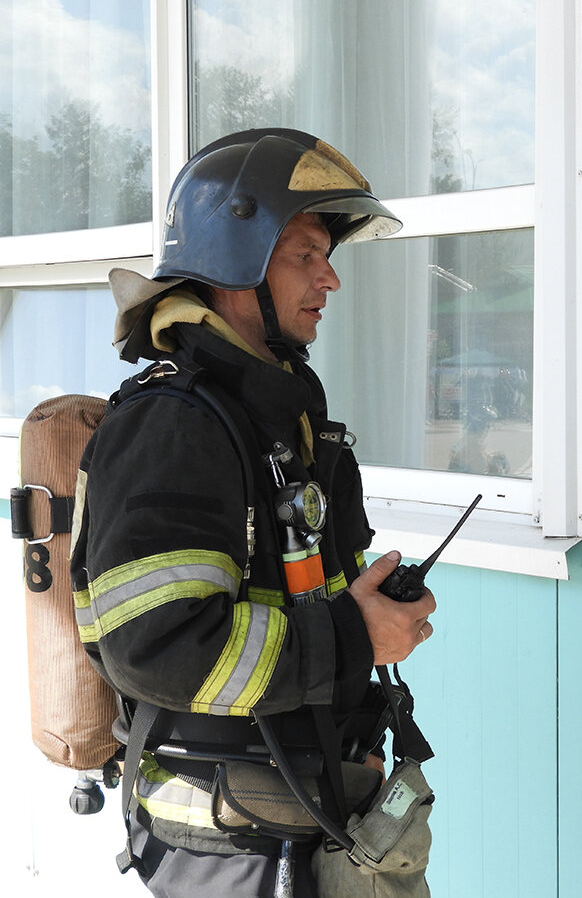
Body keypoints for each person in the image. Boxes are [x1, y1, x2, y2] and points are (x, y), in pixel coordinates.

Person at [70, 129, 437, 897]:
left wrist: (350, 727)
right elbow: (155, 644)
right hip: (227, 843)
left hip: (300, 802)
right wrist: (352, 638)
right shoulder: (172, 425)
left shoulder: (268, 415)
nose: (329, 279)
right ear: (235, 260)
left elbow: (298, 598)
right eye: (305, 254)